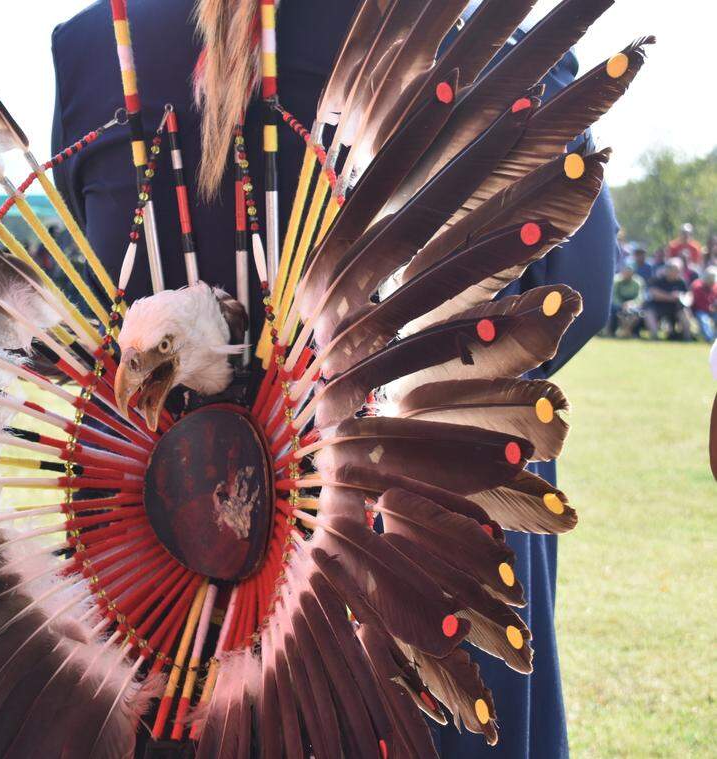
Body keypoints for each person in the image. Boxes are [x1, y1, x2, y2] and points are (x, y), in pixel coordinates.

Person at [52, 3, 619, 757]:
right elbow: (574, 295)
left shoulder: (98, 43)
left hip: (167, 612)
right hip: (408, 582)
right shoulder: (466, 38)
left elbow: (100, 288)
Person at [645, 261, 692, 340]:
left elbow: (687, 295)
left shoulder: (681, 282)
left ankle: (687, 337)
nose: (675, 272)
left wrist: (682, 297)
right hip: (658, 306)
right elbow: (654, 293)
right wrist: (670, 296)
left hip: (675, 307)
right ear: (667, 270)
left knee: (685, 312)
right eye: (673, 270)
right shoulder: (658, 280)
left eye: (677, 270)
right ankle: (654, 336)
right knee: (649, 313)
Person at [609, 264, 644, 338]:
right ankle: (612, 331)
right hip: (618, 304)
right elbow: (613, 296)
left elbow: (640, 297)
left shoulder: (638, 282)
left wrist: (631, 303)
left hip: (632, 305)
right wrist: (622, 304)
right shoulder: (616, 280)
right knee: (613, 310)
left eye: (629, 273)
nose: (627, 274)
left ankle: (634, 333)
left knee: (638, 313)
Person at [691, 267, 717, 343]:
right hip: (700, 310)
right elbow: (698, 303)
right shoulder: (696, 286)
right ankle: (710, 339)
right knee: (704, 319)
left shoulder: (715, 286)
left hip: (713, 310)